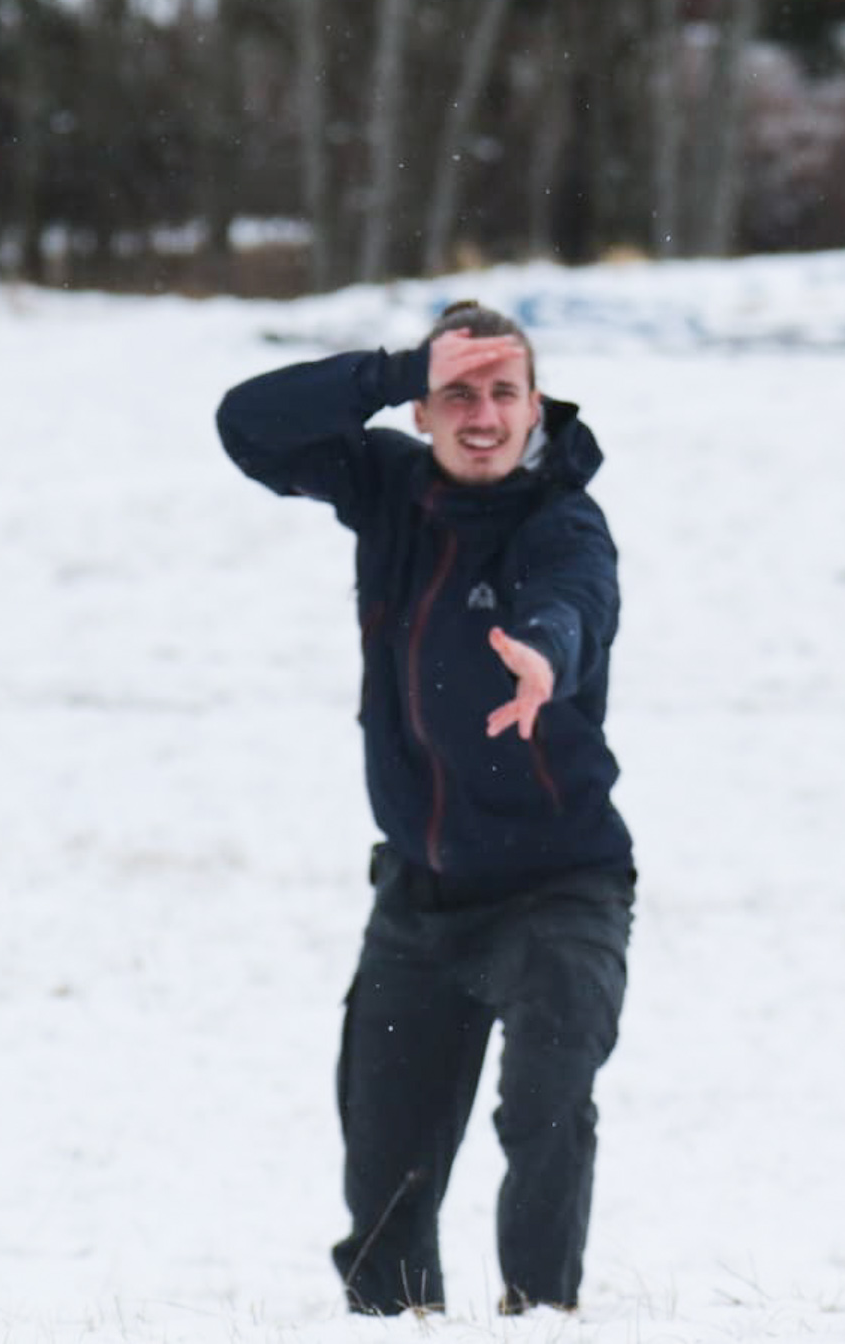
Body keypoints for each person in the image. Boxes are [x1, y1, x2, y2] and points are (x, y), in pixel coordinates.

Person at [216, 301, 634, 1316]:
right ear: (420, 411)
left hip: (558, 883)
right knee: (385, 1170)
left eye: (502, 392)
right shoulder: (389, 489)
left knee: (544, 1103)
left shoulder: (564, 518)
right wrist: (391, 367)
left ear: (535, 406)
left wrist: (542, 651)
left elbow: (576, 597)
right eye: (456, 392)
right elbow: (246, 424)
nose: (481, 415)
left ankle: (540, 1318)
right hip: (420, 893)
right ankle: (397, 1327)